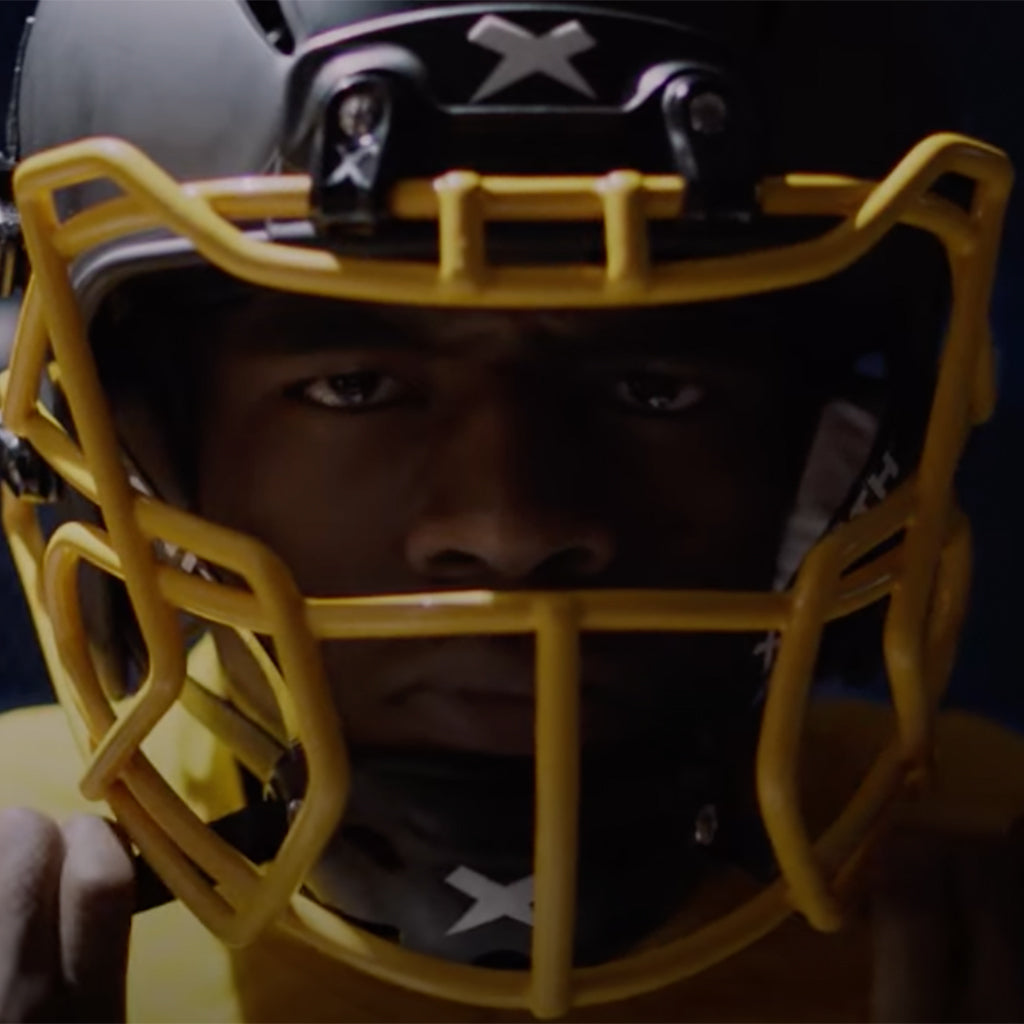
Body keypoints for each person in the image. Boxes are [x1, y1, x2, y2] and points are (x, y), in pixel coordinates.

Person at [0, 1, 1022, 1020]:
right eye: (353, 386)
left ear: (832, 452)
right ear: (134, 439)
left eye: (656, 389)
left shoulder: (990, 843)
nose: (510, 525)